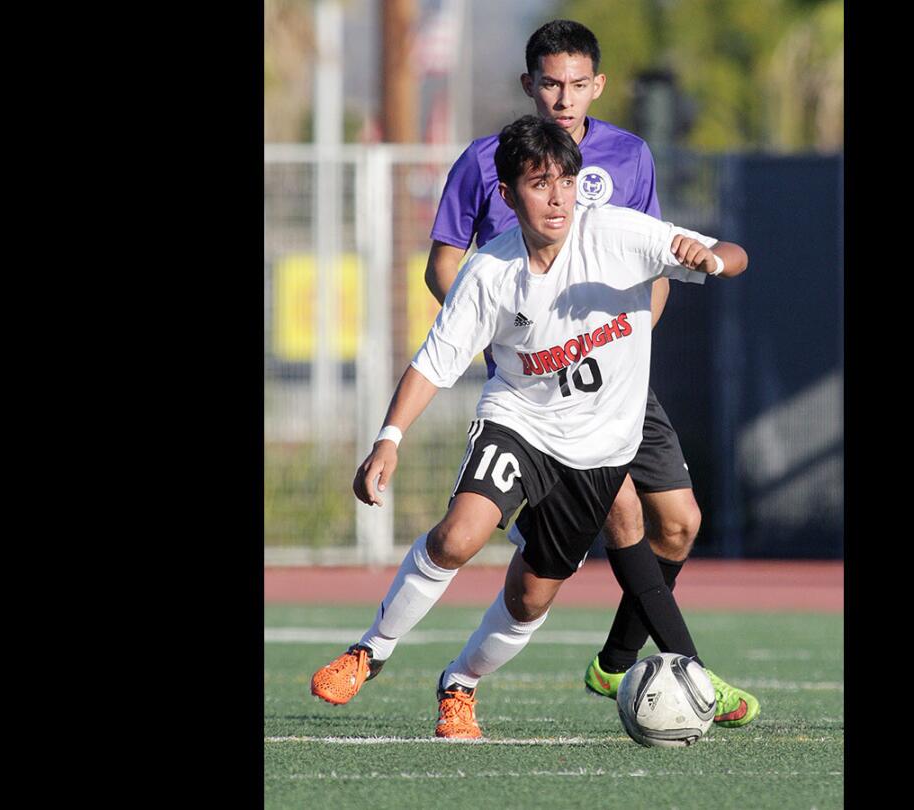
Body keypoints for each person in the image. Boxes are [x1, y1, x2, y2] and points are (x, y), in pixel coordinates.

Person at [311, 116, 748, 739]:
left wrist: (711, 258)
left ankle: (459, 684)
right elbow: (434, 361)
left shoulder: (619, 235)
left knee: (529, 599)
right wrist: (389, 439)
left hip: (599, 451)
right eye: (540, 185)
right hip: (519, 424)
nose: (558, 198)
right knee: (460, 536)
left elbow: (734, 255)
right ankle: (370, 650)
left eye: (567, 182)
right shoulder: (490, 271)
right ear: (509, 195)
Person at [421, 19, 758, 727]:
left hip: (618, 375)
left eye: (577, 84)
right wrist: (504, 326)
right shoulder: (485, 160)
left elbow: (656, 257)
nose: (564, 98)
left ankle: (614, 666)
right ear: (529, 86)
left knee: (679, 524)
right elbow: (446, 266)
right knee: (610, 522)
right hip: (537, 392)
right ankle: (691, 673)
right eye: (551, 82)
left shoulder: (630, 156)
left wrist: (624, 339)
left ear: (597, 85)